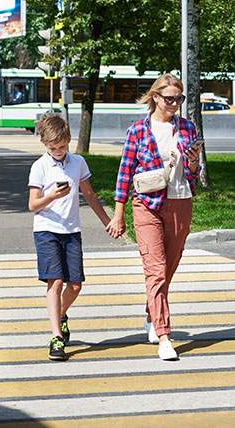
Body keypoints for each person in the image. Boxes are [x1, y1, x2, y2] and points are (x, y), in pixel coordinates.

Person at [106, 73, 202, 361]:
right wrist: (118, 214)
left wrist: (194, 161)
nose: (175, 104)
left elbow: (194, 173)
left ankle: (152, 313)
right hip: (146, 204)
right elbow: (125, 173)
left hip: (180, 202)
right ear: (156, 97)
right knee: (156, 270)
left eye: (179, 99)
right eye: (170, 98)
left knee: (168, 270)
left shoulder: (187, 128)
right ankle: (164, 336)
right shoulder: (138, 130)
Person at [28, 113, 114, 361]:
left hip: (71, 231)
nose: (58, 151)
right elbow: (33, 205)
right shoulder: (40, 166)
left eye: (62, 146)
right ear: (44, 144)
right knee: (54, 282)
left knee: (75, 285)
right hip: (46, 230)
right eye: (53, 147)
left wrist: (108, 222)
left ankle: (61, 314)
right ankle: (56, 337)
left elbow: (89, 194)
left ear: (68, 140)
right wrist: (52, 196)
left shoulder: (78, 163)